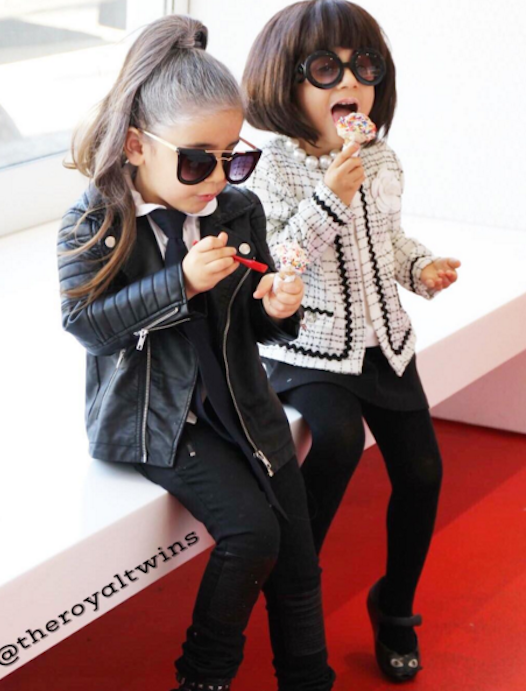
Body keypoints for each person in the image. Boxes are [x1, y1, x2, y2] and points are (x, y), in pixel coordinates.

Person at [57, 14, 337, 691]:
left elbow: (255, 325)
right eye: (196, 160)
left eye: (234, 157)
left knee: (299, 559)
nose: (217, 177)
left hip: (241, 402)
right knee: (253, 535)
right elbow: (87, 325)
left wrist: (278, 308)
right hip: (156, 419)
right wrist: (179, 283)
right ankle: (203, 679)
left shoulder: (237, 210)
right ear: (136, 145)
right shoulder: (95, 222)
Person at [242, 0, 461, 682]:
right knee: (335, 440)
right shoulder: (272, 167)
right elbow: (278, 258)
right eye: (325, 68)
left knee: (423, 473)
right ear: (287, 82)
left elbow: (388, 241)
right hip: (306, 346)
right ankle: (294, 583)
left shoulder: (381, 158)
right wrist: (331, 193)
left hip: (384, 343)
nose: (349, 81)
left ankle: (394, 607)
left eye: (364, 67)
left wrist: (421, 268)